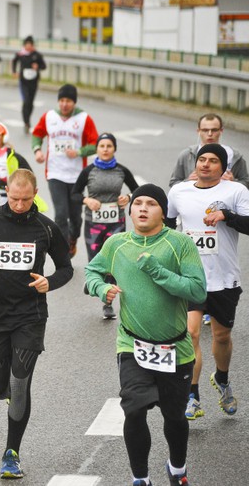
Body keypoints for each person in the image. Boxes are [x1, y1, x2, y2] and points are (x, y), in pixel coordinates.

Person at [85, 184, 206, 486]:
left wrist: (157, 270)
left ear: (162, 212)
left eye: (151, 203)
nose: (142, 208)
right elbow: (91, 272)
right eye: (137, 203)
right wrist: (102, 288)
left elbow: (197, 289)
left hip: (176, 349)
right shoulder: (117, 244)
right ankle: (141, 478)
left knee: (175, 418)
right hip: (133, 344)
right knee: (135, 410)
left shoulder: (180, 244)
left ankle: (177, 468)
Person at [0, 169, 73, 479]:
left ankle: (11, 453)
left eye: (25, 199)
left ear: (35, 194)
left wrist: (50, 282)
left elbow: (66, 268)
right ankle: (10, 397)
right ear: (6, 192)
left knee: (20, 381)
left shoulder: (45, 228)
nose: (19, 205)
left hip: (30, 317)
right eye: (13, 198)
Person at [167, 143, 249, 422]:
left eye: (213, 160)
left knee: (221, 336)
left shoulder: (235, 191)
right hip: (190, 277)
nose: (205, 164)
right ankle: (192, 396)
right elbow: (166, 226)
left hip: (224, 277)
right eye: (202, 159)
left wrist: (228, 216)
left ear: (223, 167)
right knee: (190, 333)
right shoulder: (179, 192)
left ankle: (222, 379)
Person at [71, 133, 139, 319]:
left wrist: (128, 198)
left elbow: (137, 190)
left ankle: (107, 304)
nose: (106, 149)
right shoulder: (88, 171)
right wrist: (87, 200)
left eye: (109, 146)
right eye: (102, 146)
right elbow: (74, 194)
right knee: (96, 261)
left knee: (113, 262)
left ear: (114, 149)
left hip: (116, 222)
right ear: (97, 149)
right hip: (94, 223)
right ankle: (94, 282)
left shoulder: (121, 170)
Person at [32, 84, 99, 257]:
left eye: (68, 101)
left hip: (77, 175)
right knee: (61, 214)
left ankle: (72, 238)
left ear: (74, 102)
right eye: (61, 100)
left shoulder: (84, 119)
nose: (64, 104)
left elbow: (95, 144)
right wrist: (37, 150)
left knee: (75, 218)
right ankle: (62, 252)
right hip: (55, 173)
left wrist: (79, 152)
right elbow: (37, 134)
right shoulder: (49, 116)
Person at [0, 121, 47, 212]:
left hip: (8, 203)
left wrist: (8, 185)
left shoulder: (14, 158)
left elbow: (30, 180)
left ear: (4, 137)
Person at [170, 112, 249, 189]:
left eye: (214, 130)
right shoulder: (187, 155)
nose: (210, 134)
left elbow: (246, 182)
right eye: (205, 130)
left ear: (221, 131)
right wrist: (188, 181)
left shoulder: (234, 155)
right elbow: (173, 183)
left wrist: (233, 182)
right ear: (198, 131)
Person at [12, 36, 46, 133]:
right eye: (27, 45)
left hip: (34, 81)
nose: (28, 47)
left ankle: (28, 118)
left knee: (31, 102)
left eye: (30, 45)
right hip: (23, 81)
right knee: (26, 101)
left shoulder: (37, 55)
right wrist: (14, 71)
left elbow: (44, 66)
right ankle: (26, 122)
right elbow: (14, 61)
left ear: (33, 46)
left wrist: (38, 66)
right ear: (24, 46)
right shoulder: (21, 54)